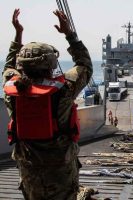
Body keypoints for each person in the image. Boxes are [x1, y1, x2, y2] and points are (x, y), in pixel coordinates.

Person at [2, 9, 93, 200]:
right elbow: (84, 65)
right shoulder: (64, 88)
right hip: (60, 169)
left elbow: (8, 68)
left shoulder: (12, 90)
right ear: (51, 63)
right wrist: (70, 35)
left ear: (22, 65)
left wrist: (18, 34)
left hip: (29, 170)